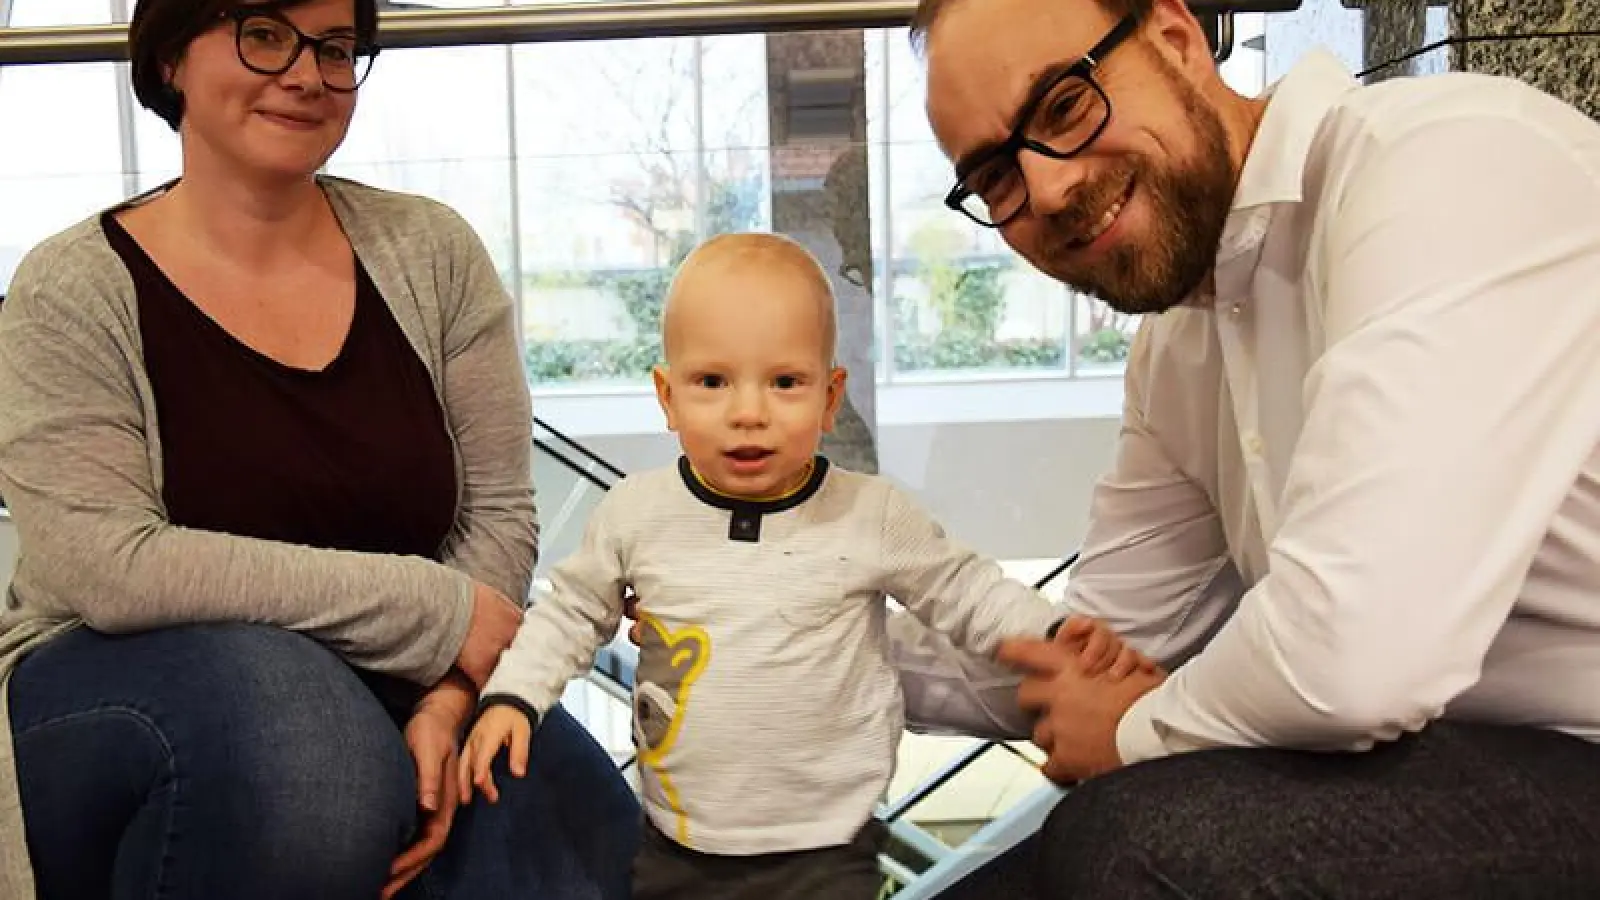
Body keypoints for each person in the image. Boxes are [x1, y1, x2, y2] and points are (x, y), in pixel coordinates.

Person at [891, 0, 1600, 895]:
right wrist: (790, 631)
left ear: (1177, 39)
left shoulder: (1449, 161)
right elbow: (1099, 650)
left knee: (1130, 839)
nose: (1050, 188)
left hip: (1572, 745)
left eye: (1066, 106)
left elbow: (1353, 650)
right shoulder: (1177, 348)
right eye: (996, 177)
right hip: (1420, 764)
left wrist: (1133, 731)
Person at [0, 1, 637, 898]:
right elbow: (109, 567)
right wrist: (436, 609)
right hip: (112, 684)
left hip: (398, 672)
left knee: (560, 808)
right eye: (264, 33)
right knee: (307, 751)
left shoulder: (432, 251)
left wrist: (452, 697)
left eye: (336, 48)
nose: (306, 75)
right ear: (172, 57)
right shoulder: (69, 289)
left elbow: (497, 511)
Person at [456, 232, 1149, 900]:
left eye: (785, 382)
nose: (748, 412)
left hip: (828, 844)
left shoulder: (870, 514)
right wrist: (515, 696)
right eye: (712, 381)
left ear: (830, 396)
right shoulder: (635, 513)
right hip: (679, 836)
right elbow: (570, 614)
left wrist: (1055, 634)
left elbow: (967, 591)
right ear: (667, 397)